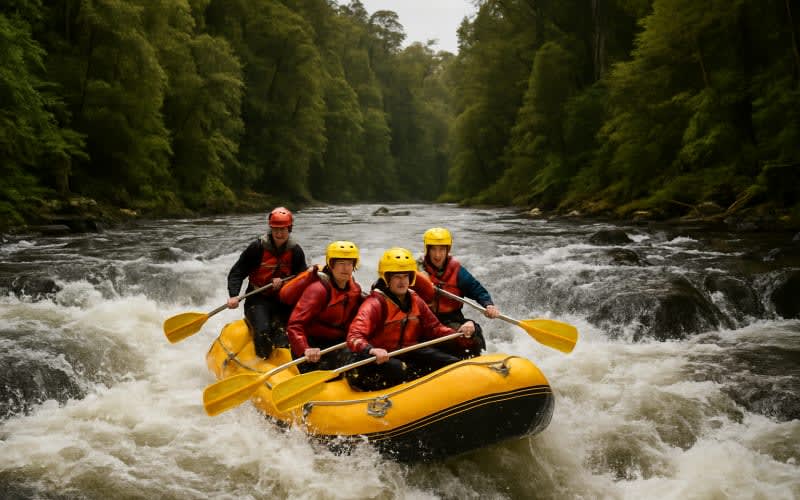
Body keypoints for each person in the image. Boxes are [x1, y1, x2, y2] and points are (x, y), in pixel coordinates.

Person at [345, 247, 478, 391]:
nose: (402, 281)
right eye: (396, 277)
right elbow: (354, 336)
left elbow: (434, 328)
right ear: (387, 278)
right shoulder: (375, 303)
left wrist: (459, 333)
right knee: (399, 370)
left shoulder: (415, 299)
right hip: (377, 357)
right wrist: (372, 350)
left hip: (407, 350)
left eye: (405, 276)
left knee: (451, 362)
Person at [227, 207, 307, 359]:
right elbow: (237, 272)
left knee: (285, 333)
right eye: (275, 229)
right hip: (257, 298)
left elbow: (301, 278)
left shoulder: (295, 251)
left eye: (283, 229)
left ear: (289, 229)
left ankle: (284, 363)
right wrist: (233, 295)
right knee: (263, 331)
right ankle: (262, 360)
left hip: (282, 301)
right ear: (271, 229)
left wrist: (285, 283)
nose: (279, 233)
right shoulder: (257, 248)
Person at [413, 227, 499, 359]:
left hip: (451, 318)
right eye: (433, 249)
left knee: (474, 331)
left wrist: (488, 305)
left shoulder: (457, 271)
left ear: (447, 250)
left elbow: (476, 289)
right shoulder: (415, 269)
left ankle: (480, 362)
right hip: (422, 320)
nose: (437, 255)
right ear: (427, 250)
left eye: (441, 249)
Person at [286, 241, 363, 373]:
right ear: (331, 265)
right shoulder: (318, 290)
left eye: (350, 264)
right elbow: (295, 325)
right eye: (341, 264)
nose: (346, 268)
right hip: (313, 348)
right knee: (351, 358)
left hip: (337, 342)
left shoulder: (355, 289)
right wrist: (305, 349)